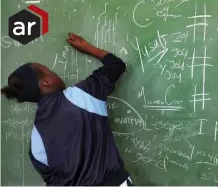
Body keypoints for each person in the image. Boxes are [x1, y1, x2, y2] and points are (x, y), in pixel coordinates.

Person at [1, 33, 133, 186]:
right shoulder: (81, 95)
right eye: (49, 70)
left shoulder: (35, 139)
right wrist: (86, 47)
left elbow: (53, 181)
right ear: (46, 81)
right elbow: (116, 65)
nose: (54, 72)